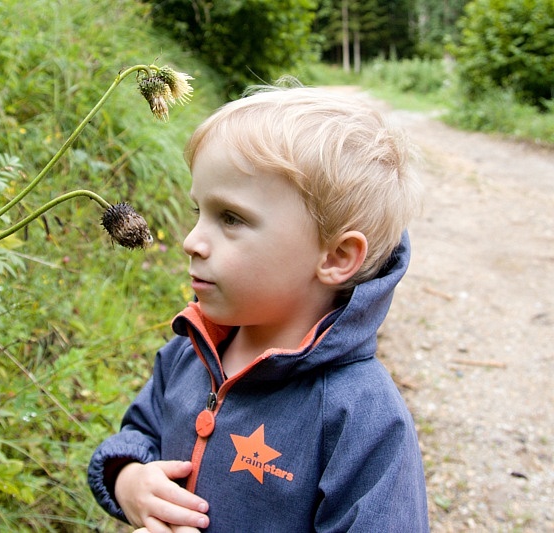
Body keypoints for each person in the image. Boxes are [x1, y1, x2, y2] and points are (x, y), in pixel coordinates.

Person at [88, 85, 428, 532]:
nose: (192, 240)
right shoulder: (191, 352)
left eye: (230, 218)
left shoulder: (361, 416)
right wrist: (129, 481)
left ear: (336, 257)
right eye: (199, 211)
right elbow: (139, 433)